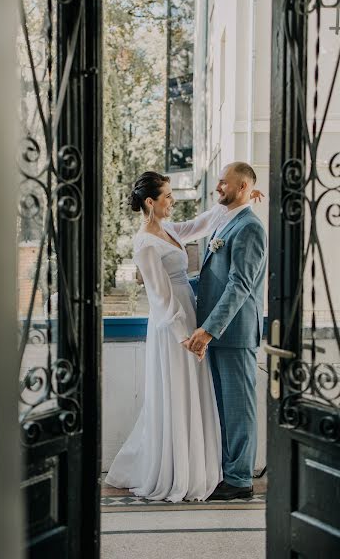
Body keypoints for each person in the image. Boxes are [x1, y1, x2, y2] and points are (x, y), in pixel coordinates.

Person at [105, 170, 263, 502]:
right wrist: (184, 336)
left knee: (202, 397)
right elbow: (161, 298)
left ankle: (205, 469)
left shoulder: (169, 230)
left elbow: (200, 224)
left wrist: (245, 200)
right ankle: (179, 470)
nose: (173, 200)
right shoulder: (145, 242)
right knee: (179, 394)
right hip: (174, 327)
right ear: (151, 202)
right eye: (167, 195)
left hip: (196, 322)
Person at [186, 162, 267, 501]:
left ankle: (240, 479)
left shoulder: (249, 228)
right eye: (218, 181)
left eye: (223, 182)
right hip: (220, 334)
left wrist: (207, 330)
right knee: (223, 407)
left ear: (244, 186)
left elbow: (239, 286)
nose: (217, 187)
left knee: (238, 407)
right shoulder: (227, 221)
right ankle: (228, 471)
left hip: (233, 334)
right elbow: (211, 277)